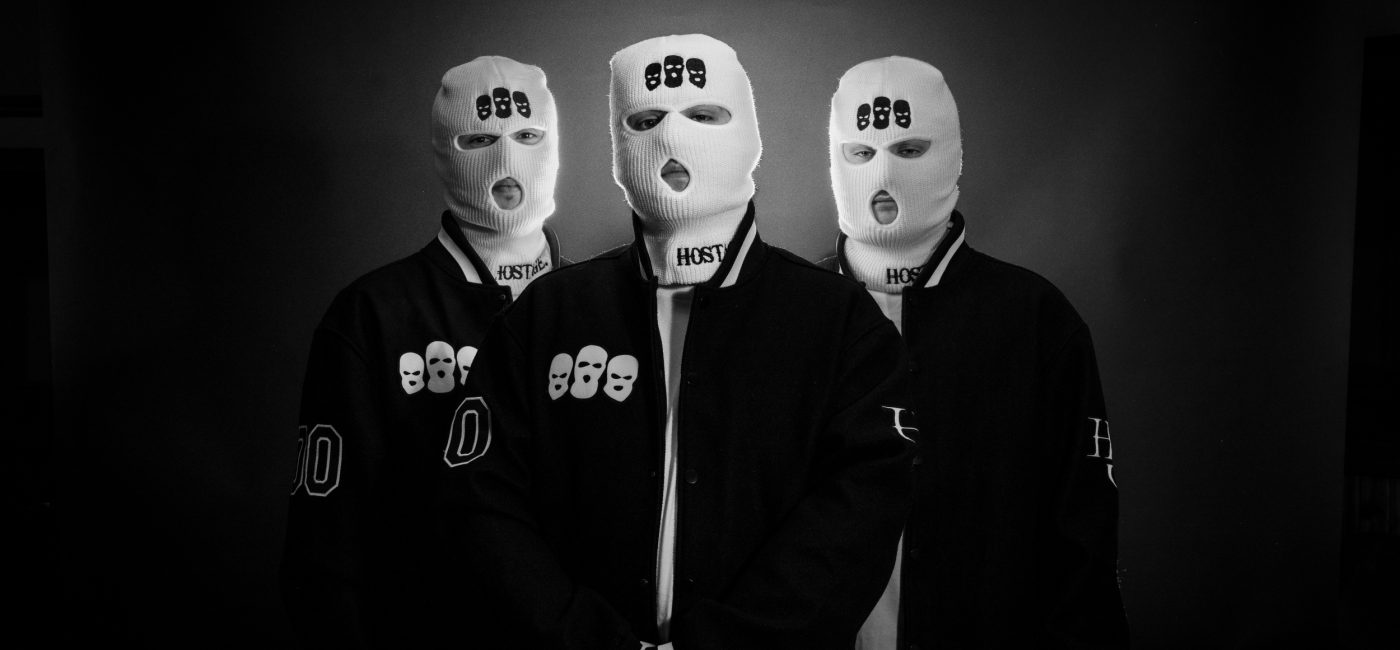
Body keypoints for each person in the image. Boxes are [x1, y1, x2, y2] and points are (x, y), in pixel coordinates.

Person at [438, 34, 915, 649]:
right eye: (646, 120)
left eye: (704, 115)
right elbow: (482, 500)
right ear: (618, 145)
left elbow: (858, 517)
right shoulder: (547, 314)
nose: (672, 140)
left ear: (749, 135)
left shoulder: (839, 322)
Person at [818, 56, 1129, 649]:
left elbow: (1082, 536)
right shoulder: (789, 314)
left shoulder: (1035, 318)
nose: (883, 173)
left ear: (952, 156)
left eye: (909, 149)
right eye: (860, 152)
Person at [280, 55, 567, 648]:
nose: (507, 161)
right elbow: (325, 540)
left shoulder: (600, 306)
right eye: (480, 139)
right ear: (444, 152)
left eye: (528, 136)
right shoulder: (374, 314)